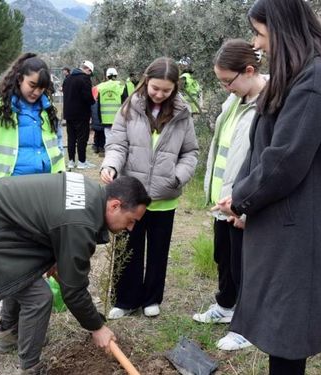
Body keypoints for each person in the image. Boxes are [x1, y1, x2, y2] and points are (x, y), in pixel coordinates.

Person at [214, 0, 321, 373]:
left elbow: (286, 159)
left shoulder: (318, 77)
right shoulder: (297, 74)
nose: (257, 44)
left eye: (260, 33)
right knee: (280, 326)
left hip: (300, 229)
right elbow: (264, 146)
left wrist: (243, 199)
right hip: (284, 220)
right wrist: (242, 199)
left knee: (288, 331)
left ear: (284, 28)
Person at [0, 173, 151, 375]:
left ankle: (9, 336)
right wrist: (97, 327)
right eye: (130, 220)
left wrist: (57, 258)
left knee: (22, 277)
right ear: (115, 205)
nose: (130, 228)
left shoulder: (91, 193)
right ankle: (30, 368)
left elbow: (53, 221)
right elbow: (73, 290)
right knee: (37, 296)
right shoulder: (81, 223)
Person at [0, 52, 65, 320]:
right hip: (9, 194)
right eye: (32, 85)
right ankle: (2, 295)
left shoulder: (47, 110)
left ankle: (37, 294)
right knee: (9, 250)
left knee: (40, 245)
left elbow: (56, 146)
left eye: (42, 88)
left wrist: (61, 177)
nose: (36, 92)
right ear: (19, 78)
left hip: (45, 191)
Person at [100, 57, 199, 319]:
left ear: (175, 88)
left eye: (166, 90)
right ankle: (125, 300)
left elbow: (190, 152)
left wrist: (177, 177)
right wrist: (110, 166)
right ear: (146, 81)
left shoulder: (182, 113)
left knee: (158, 250)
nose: (159, 94)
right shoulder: (129, 108)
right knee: (128, 248)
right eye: (155, 88)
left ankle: (152, 298)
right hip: (132, 196)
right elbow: (117, 145)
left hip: (165, 196)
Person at [192, 39, 268, 351]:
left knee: (244, 264)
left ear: (249, 71)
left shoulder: (269, 105)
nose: (225, 88)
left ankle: (247, 326)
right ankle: (225, 306)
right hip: (224, 201)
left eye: (228, 81)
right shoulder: (234, 102)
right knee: (224, 258)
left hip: (244, 204)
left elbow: (266, 163)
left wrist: (247, 208)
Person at [62, 60, 96, 170]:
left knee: (71, 138)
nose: (90, 75)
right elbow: (87, 97)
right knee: (82, 138)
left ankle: (71, 161)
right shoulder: (85, 78)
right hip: (81, 114)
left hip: (69, 113)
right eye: (90, 72)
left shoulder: (67, 79)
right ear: (88, 69)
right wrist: (93, 101)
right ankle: (82, 162)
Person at [94, 68, 128, 155]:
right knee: (118, 136)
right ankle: (117, 152)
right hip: (118, 117)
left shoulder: (101, 86)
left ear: (107, 76)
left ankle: (109, 153)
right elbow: (126, 102)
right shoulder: (122, 86)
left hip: (105, 118)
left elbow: (98, 104)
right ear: (116, 76)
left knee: (108, 136)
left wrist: (99, 117)